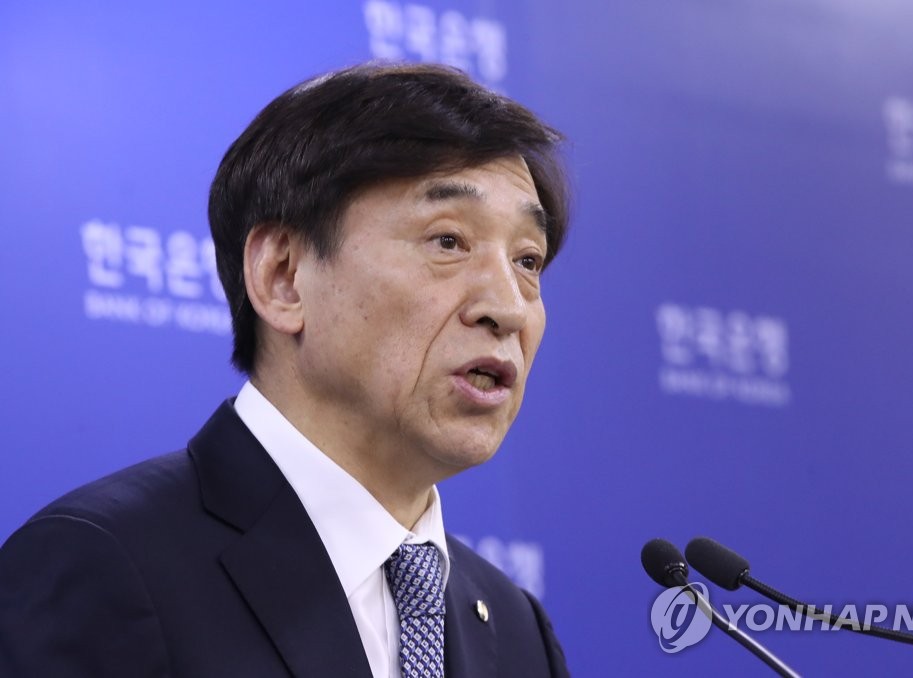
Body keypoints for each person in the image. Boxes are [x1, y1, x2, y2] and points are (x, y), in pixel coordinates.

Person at [0, 62, 571, 677]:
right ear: (283, 278)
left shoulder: (517, 630)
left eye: (528, 260)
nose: (509, 307)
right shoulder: (103, 566)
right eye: (448, 242)